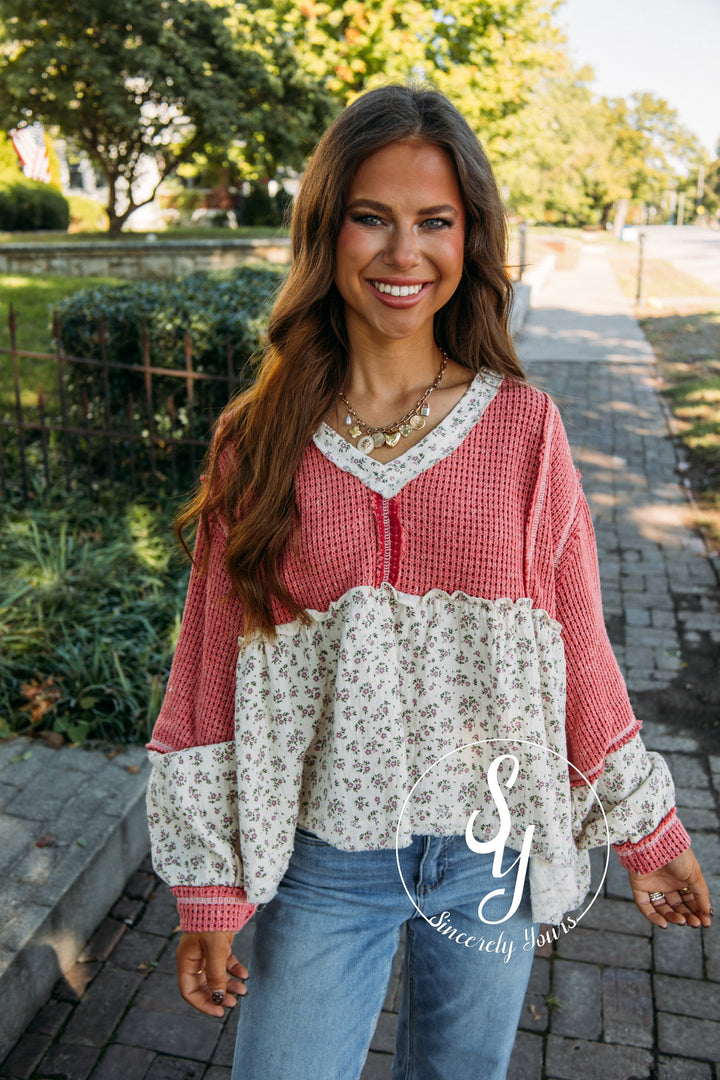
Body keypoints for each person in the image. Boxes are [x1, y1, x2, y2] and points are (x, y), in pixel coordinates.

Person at [146, 84, 712, 1080]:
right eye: (373, 217)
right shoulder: (257, 442)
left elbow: (578, 643)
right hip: (322, 864)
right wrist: (210, 890)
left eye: (435, 222)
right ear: (329, 233)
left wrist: (648, 829)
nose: (404, 252)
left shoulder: (524, 429)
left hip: (491, 857)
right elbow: (204, 675)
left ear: (468, 239)